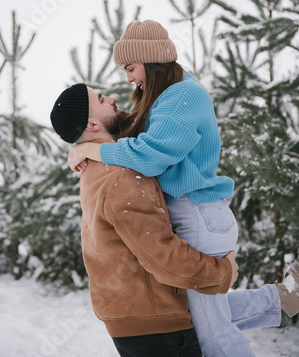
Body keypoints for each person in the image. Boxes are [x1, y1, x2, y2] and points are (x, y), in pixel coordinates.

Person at [67, 20, 299, 357]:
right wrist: (80, 144)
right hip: (191, 214)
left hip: (196, 214)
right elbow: (124, 133)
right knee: (202, 317)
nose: (128, 78)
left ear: (150, 60)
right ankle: (284, 297)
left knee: (214, 336)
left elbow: (148, 155)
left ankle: (283, 298)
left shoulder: (182, 95)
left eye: (131, 68)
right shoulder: (163, 96)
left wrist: (89, 149)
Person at [50, 83, 239, 357]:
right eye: (102, 99)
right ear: (91, 124)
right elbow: (161, 253)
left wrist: (82, 148)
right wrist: (222, 273)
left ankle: (282, 299)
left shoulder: (95, 169)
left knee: (216, 317)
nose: (113, 98)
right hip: (157, 326)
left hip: (134, 318)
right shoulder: (121, 176)